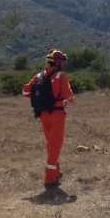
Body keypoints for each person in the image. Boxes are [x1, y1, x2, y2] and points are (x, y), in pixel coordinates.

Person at [22, 49, 75, 189]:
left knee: (51, 145)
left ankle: (56, 172)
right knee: (55, 146)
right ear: (57, 62)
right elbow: (70, 97)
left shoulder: (39, 76)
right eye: (62, 62)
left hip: (43, 115)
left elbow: (25, 91)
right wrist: (65, 101)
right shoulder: (60, 76)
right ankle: (50, 179)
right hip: (57, 115)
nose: (63, 64)